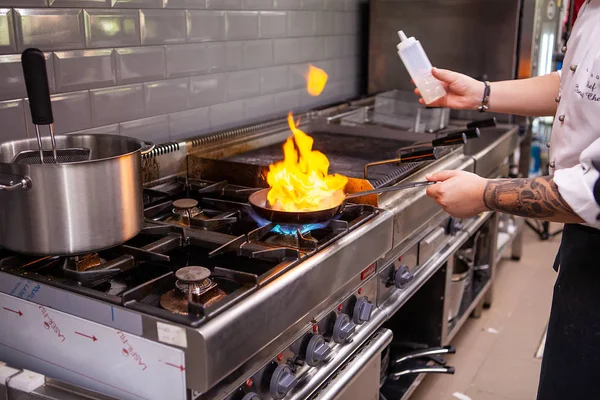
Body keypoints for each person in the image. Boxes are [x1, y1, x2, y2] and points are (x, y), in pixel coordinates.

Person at [413, 1, 600, 398]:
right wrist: (480, 94)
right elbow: (575, 86)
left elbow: (594, 193)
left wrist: (483, 194)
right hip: (583, 245)